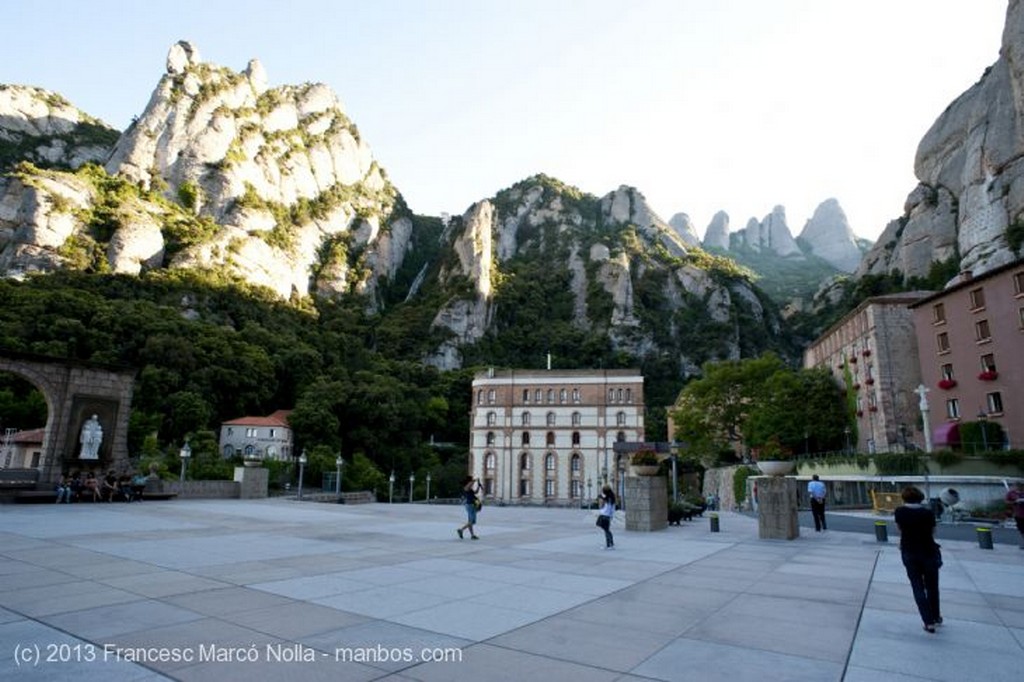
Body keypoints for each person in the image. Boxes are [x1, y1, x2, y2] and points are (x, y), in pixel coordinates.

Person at [894, 486, 943, 633]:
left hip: (909, 551)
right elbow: (933, 531)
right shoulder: (927, 513)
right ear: (920, 497)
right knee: (932, 587)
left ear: (904, 498)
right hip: (928, 551)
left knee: (917, 587)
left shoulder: (900, 512)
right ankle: (936, 616)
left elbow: (900, 529)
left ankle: (928, 622)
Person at [596, 484, 616, 549]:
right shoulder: (611, 498)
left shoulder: (606, 498)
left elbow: (603, 507)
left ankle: (610, 544)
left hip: (604, 515)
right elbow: (612, 508)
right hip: (608, 515)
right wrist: (611, 516)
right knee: (607, 530)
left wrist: (601, 509)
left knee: (606, 530)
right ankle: (610, 544)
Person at [1006, 481, 1024, 548]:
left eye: (1019, 486)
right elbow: (1007, 501)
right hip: (1018, 514)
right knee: (1021, 528)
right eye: (1016, 486)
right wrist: (1015, 502)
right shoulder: (1011, 493)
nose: (1017, 488)